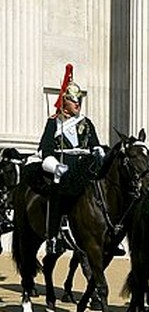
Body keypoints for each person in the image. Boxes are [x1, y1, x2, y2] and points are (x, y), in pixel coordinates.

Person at [39, 64, 104, 255]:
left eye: (79, 101)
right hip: (64, 165)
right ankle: (53, 237)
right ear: (64, 101)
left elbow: (94, 143)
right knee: (56, 195)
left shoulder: (86, 122)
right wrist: (55, 166)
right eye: (74, 101)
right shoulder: (53, 122)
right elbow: (46, 148)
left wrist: (98, 151)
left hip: (85, 166)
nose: (78, 104)